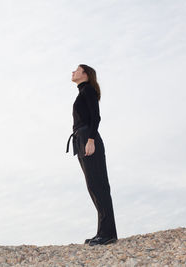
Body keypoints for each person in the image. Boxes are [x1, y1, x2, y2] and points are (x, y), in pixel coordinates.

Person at [66, 64, 118, 246]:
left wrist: (90, 139)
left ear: (85, 74)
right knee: (93, 186)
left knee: (99, 185)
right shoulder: (82, 92)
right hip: (81, 139)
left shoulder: (88, 91)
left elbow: (96, 117)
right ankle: (102, 232)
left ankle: (109, 233)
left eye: (76, 69)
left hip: (88, 137)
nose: (73, 71)